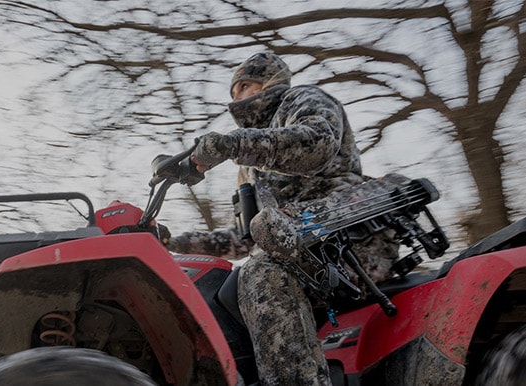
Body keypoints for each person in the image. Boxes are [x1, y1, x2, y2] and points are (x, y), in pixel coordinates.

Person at [165, 52, 403, 385]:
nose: (237, 97)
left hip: (347, 241)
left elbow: (316, 144)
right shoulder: (251, 164)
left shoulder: (301, 99)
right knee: (222, 285)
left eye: (245, 86)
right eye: (233, 91)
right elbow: (244, 238)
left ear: (270, 81)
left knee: (261, 273)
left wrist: (233, 145)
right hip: (297, 250)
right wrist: (171, 243)